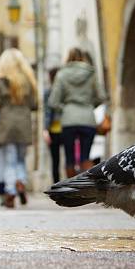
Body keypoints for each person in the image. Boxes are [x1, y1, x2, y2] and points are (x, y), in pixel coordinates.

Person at [0, 48, 38, 208]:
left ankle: (10, 191)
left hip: (7, 123)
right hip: (23, 122)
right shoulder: (28, 80)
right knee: (20, 158)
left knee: (10, 160)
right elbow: (33, 104)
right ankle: (21, 182)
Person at [48, 48, 106, 178]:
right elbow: (101, 96)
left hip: (69, 119)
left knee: (69, 158)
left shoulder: (62, 74)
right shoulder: (91, 73)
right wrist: (90, 104)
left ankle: (71, 191)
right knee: (86, 156)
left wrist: (65, 108)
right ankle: (87, 188)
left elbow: (53, 101)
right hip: (87, 118)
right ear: (83, 58)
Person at [43, 67, 62, 183]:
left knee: (55, 160)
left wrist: (45, 129)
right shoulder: (65, 91)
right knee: (71, 157)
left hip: (53, 130)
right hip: (66, 127)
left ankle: (56, 184)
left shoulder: (48, 92)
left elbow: (47, 112)